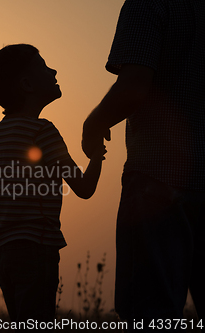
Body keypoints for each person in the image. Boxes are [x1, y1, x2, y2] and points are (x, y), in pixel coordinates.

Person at [82, 0, 205, 331]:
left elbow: (134, 86)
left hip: (158, 177)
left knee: (150, 312)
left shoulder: (148, 4)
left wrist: (93, 125)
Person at [0, 44, 106, 329]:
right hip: (36, 247)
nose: (54, 71)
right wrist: (97, 155)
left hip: (1, 250)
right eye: (44, 66)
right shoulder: (42, 131)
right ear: (27, 84)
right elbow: (84, 188)